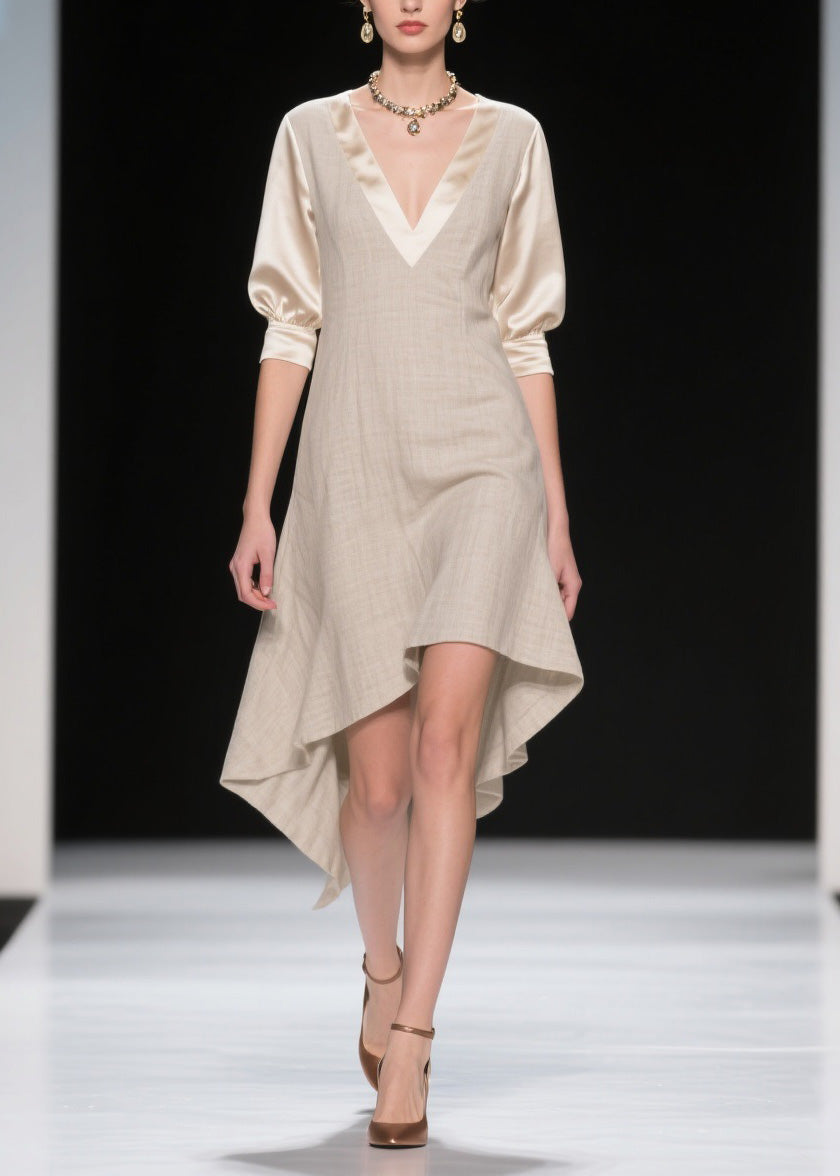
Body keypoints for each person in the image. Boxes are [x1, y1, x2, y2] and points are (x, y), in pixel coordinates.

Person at [220, 0, 584, 1149]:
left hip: (483, 466)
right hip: (355, 470)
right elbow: (291, 326)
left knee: (444, 751)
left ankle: (416, 1035)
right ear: (364, 3)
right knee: (375, 790)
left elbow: (525, 334)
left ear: (462, 4)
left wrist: (555, 517)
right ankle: (381, 967)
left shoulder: (515, 138)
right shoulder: (307, 135)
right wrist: (258, 503)